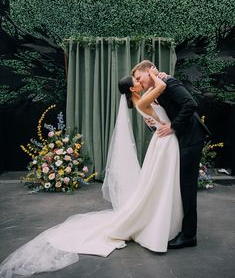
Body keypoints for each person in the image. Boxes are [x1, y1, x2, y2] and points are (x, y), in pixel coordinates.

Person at [0, 68, 183, 278]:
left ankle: (159, 217)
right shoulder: (142, 101)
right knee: (159, 183)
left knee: (158, 183)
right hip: (165, 141)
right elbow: (161, 87)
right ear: (133, 87)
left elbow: (154, 114)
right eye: (137, 79)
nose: (141, 80)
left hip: (163, 141)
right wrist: (157, 74)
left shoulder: (140, 102)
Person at [132, 60, 208, 249]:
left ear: (149, 71)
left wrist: (173, 127)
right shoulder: (158, 88)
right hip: (182, 140)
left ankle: (189, 235)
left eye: (140, 78)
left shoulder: (170, 82)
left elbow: (191, 104)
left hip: (191, 139)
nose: (140, 84)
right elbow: (164, 113)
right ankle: (182, 228)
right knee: (182, 186)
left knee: (187, 187)